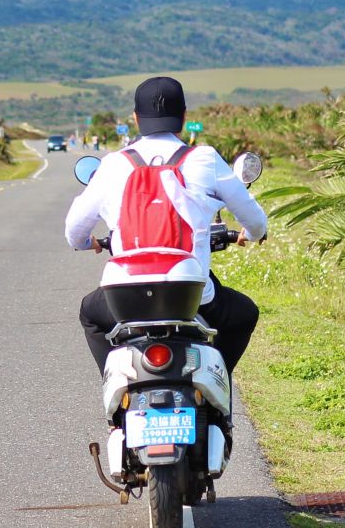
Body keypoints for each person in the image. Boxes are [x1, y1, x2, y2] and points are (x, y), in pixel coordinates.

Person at [63, 75, 266, 374]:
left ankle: (116, 387)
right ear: (183, 117)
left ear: (135, 118)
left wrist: (87, 243)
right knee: (244, 313)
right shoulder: (204, 158)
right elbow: (255, 219)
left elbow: (74, 230)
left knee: (90, 314)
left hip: (125, 295)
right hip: (190, 295)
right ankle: (215, 381)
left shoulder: (113, 164)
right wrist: (250, 234)